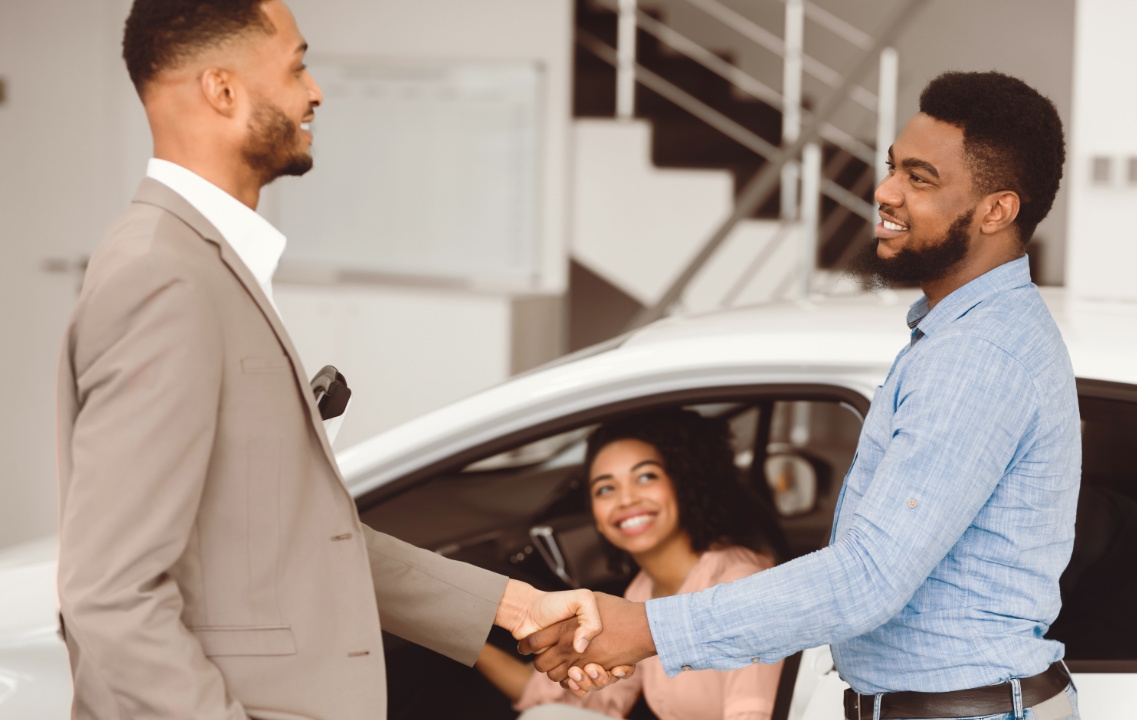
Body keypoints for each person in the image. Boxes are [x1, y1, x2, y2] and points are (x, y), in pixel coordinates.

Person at [54, 2, 598, 718]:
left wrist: (515, 605)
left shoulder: (204, 269)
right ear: (222, 90)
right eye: (297, 65)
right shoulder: (164, 277)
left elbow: (300, 540)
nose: (316, 91)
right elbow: (110, 595)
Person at [522, 71, 1084, 720]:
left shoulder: (977, 356)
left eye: (920, 178)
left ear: (996, 210)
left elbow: (869, 577)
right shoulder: (963, 333)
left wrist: (649, 629)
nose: (886, 191)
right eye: (892, 167)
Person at [476, 409, 784, 720]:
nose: (626, 500)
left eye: (646, 477)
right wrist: (463, 634)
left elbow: (755, 714)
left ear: (683, 484)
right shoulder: (642, 591)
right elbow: (575, 703)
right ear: (595, 513)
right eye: (606, 488)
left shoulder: (740, 581)